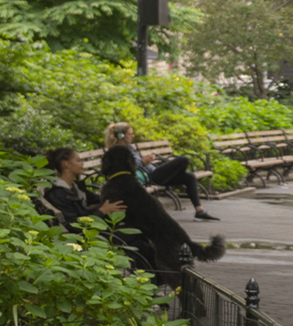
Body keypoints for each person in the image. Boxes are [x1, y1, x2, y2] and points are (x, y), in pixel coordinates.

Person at [99, 144, 226, 286]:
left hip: (165, 240)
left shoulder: (113, 189)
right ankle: (189, 304)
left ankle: (192, 306)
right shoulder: (130, 186)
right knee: (182, 283)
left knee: (179, 282)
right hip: (169, 235)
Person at [104, 122, 218, 221]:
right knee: (183, 159)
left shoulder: (129, 146)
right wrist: (143, 162)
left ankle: (199, 211)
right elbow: (126, 167)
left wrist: (148, 160)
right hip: (151, 177)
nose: (132, 136)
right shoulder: (118, 150)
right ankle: (178, 175)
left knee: (189, 177)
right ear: (121, 135)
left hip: (154, 172)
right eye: (130, 134)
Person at [39, 147, 120, 231]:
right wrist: (102, 211)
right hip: (81, 236)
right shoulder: (58, 193)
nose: (82, 164)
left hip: (92, 227)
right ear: (67, 164)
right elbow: (73, 225)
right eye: (78, 161)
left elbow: (95, 199)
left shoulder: (75, 187)